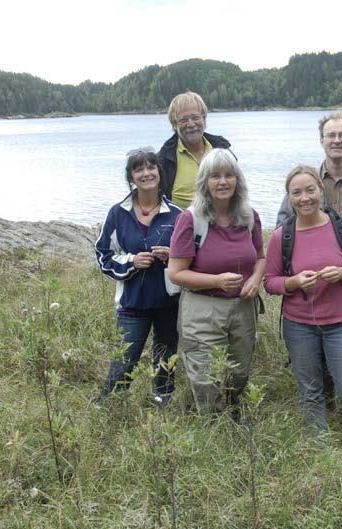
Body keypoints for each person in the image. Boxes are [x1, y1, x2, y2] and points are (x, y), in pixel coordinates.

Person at [264, 165, 342, 454]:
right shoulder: (282, 236)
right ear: (289, 198)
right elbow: (270, 282)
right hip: (299, 326)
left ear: (320, 191)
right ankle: (319, 449)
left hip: (341, 324)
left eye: (310, 190)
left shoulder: (341, 226)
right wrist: (292, 282)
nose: (305, 198)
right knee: (311, 392)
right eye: (297, 193)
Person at [276, 111, 342, 366]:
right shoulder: (306, 182)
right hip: (309, 283)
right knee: (310, 350)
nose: (337, 140)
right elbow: (283, 225)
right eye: (331, 135)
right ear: (321, 140)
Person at [167, 149, 265, 415]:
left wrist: (256, 278)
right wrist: (217, 281)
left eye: (229, 175)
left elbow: (260, 258)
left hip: (243, 307)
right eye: (215, 176)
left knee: (239, 370)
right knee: (206, 377)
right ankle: (212, 427)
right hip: (202, 308)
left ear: (238, 180)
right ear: (204, 182)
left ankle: (233, 418)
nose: (223, 182)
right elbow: (176, 272)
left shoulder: (249, 216)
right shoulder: (191, 220)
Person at [94, 147, 181, 404]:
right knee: (124, 360)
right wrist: (132, 262)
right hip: (132, 303)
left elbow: (191, 257)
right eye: (138, 169)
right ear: (131, 176)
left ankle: (161, 402)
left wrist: (171, 256)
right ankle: (106, 406)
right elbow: (102, 255)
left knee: (166, 360)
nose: (146, 173)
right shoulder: (117, 213)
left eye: (151, 167)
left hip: (168, 302)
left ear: (159, 172)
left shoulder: (177, 215)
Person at [158, 91, 233, 209]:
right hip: (181, 225)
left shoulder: (222, 150)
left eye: (195, 117)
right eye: (183, 120)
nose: (191, 124)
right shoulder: (165, 159)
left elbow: (239, 190)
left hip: (222, 224)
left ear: (204, 119)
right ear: (174, 125)